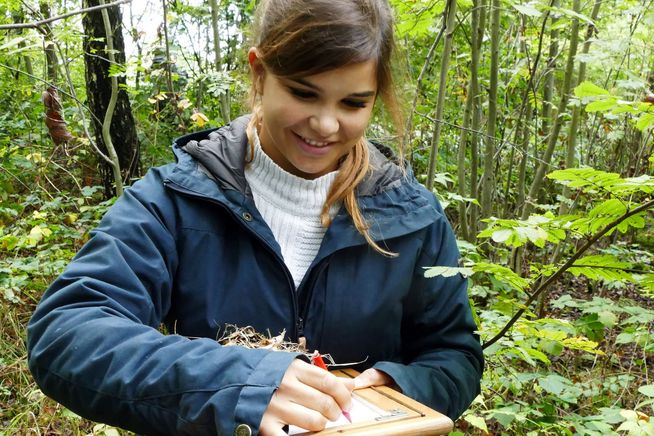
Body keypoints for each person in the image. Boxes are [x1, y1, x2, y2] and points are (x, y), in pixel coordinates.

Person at [26, 0, 484, 435]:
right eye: (304, 93)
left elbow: (454, 355)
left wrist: (398, 387)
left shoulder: (411, 217)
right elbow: (66, 332)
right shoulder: (177, 200)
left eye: (353, 104)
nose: (325, 125)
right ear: (259, 72)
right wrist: (241, 383)